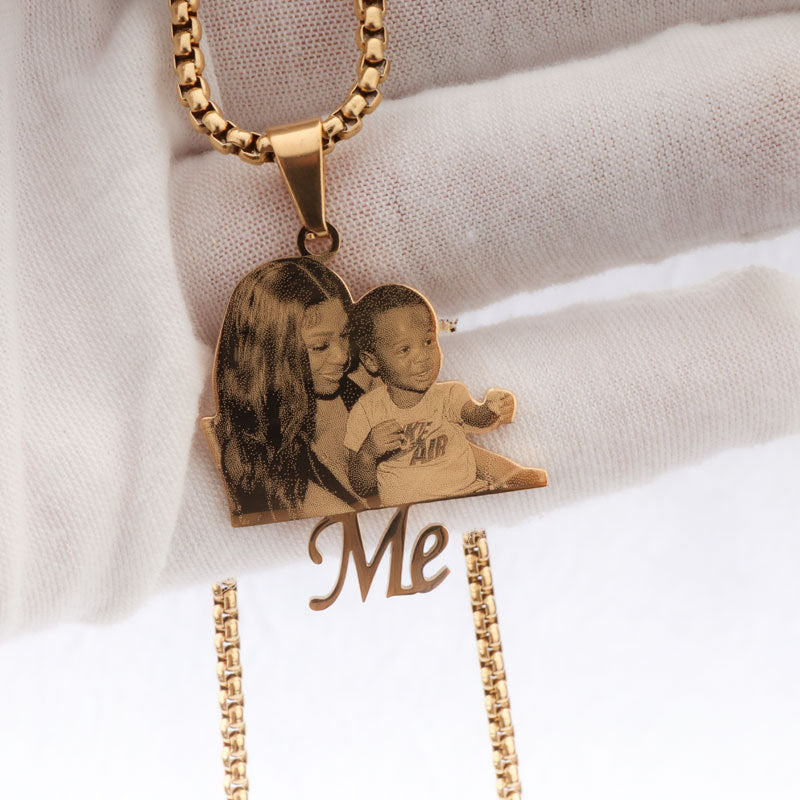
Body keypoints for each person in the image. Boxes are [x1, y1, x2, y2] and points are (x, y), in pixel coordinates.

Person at [210, 257, 366, 522]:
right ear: (271, 354)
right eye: (320, 346)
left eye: (344, 335)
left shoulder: (359, 395)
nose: (342, 356)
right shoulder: (247, 457)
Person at [344, 283, 519, 507]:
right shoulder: (367, 411)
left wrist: (492, 407)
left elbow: (476, 417)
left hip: (469, 496)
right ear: (372, 361)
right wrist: (368, 454)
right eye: (405, 349)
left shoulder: (449, 395)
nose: (422, 357)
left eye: (428, 341)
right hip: (410, 514)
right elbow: (362, 487)